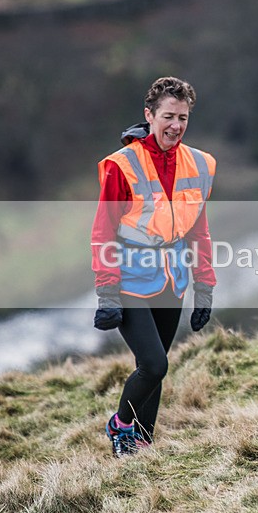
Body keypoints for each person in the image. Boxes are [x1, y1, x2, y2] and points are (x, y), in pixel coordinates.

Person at [91, 76, 216, 457]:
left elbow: (199, 229)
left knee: (155, 364)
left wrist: (204, 286)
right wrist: (107, 292)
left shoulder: (199, 163)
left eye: (182, 117)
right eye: (167, 116)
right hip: (129, 275)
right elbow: (102, 230)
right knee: (154, 364)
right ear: (149, 116)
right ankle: (120, 425)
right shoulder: (121, 166)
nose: (175, 125)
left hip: (173, 278)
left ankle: (143, 440)